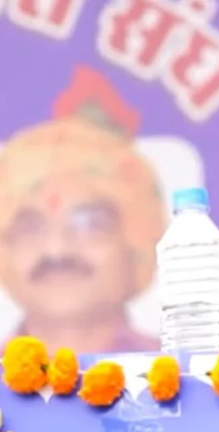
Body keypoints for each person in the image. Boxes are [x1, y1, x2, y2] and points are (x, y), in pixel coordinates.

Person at [0, 66, 166, 354]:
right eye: (30, 228)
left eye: (90, 225)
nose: (56, 250)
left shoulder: (180, 375)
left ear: (135, 243)